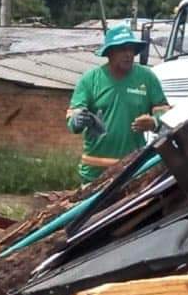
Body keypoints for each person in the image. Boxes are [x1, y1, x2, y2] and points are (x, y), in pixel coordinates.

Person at [67, 24, 169, 185]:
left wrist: (154, 122)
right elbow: (73, 119)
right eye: (122, 49)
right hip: (95, 172)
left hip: (133, 169)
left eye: (131, 49)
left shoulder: (147, 78)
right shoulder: (90, 80)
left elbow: (165, 113)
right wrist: (78, 119)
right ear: (109, 53)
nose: (128, 54)